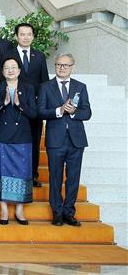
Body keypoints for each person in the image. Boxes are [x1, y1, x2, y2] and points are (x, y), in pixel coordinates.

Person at [38, 53, 92, 227]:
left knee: (73, 178)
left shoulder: (80, 87)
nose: (62, 68)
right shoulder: (46, 87)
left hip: (77, 140)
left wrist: (74, 112)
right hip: (55, 140)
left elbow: (87, 112)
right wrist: (59, 110)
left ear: (72, 67)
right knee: (55, 177)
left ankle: (69, 212)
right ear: (55, 66)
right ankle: (57, 212)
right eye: (59, 64)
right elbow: (40, 111)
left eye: (66, 65)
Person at [0, 57, 37, 225]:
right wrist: (3, 103)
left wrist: (19, 103)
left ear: (19, 70)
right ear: (2, 72)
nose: (10, 70)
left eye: (13, 67)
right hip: (1, 136)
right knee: (1, 171)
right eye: (6, 67)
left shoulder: (28, 88)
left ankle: (19, 209)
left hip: (22, 136)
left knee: (22, 172)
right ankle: (3, 209)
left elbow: (34, 113)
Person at [5, 23, 49, 187]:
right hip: (12, 105)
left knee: (34, 142)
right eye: (22, 34)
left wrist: (41, 105)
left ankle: (32, 175)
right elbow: (4, 78)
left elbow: (44, 82)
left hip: (33, 108)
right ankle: (15, 175)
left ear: (33, 36)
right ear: (16, 36)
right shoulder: (8, 54)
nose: (25, 37)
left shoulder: (39, 56)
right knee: (14, 141)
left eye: (29, 34)